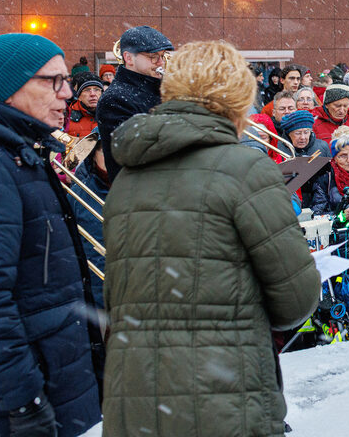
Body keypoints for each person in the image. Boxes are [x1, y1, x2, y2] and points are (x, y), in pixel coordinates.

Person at [102, 40, 319, 435]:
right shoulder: (245, 168)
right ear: (238, 101)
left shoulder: (128, 176)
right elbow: (297, 300)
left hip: (136, 397)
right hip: (223, 394)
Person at [0, 33, 101, 437]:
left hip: (48, 380)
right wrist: (24, 402)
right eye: (52, 81)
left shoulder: (15, 151)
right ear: (8, 87)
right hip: (4, 405)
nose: (67, 94)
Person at [96, 25, 173, 179]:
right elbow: (137, 153)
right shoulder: (115, 99)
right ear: (129, 58)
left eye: (162, 56)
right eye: (153, 57)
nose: (160, 63)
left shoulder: (162, 89)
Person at [64, 74, 103, 138]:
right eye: (87, 90)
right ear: (79, 97)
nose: (92, 94)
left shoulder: (112, 116)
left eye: (96, 89)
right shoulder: (66, 118)